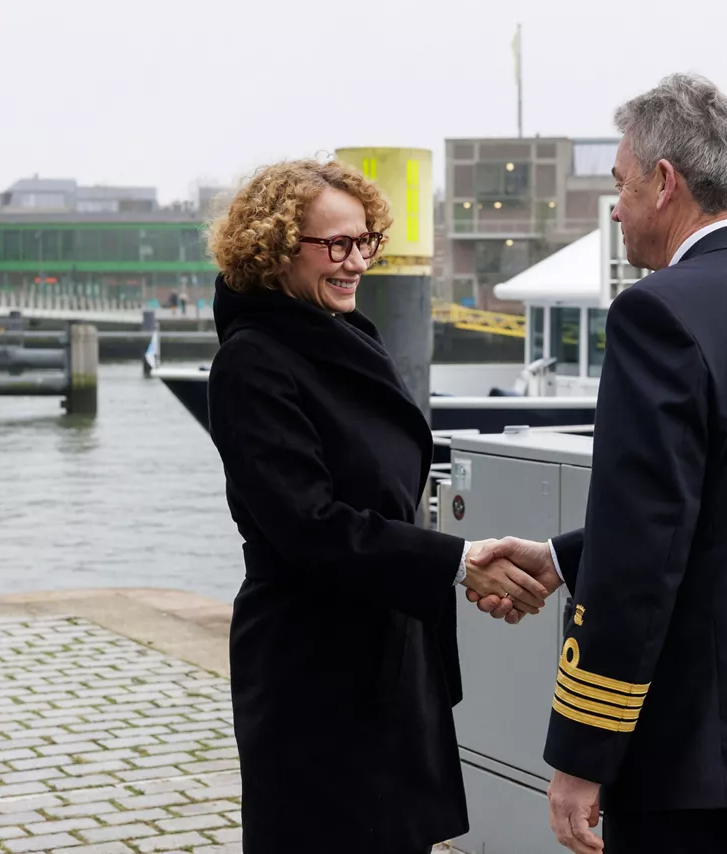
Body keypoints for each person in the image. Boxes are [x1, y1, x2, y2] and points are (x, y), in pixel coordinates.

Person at [469, 73, 727, 854]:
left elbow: (642, 554)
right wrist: (559, 558)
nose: (614, 208)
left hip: (701, 762)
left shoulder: (659, 313)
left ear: (664, 182)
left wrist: (583, 756)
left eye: (619, 185)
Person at [204, 158, 549, 853]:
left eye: (365, 241)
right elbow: (310, 524)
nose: (356, 261)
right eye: (336, 244)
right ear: (274, 250)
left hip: (390, 654)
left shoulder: (349, 335)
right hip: (313, 668)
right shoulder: (253, 361)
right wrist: (457, 562)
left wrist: (455, 565)